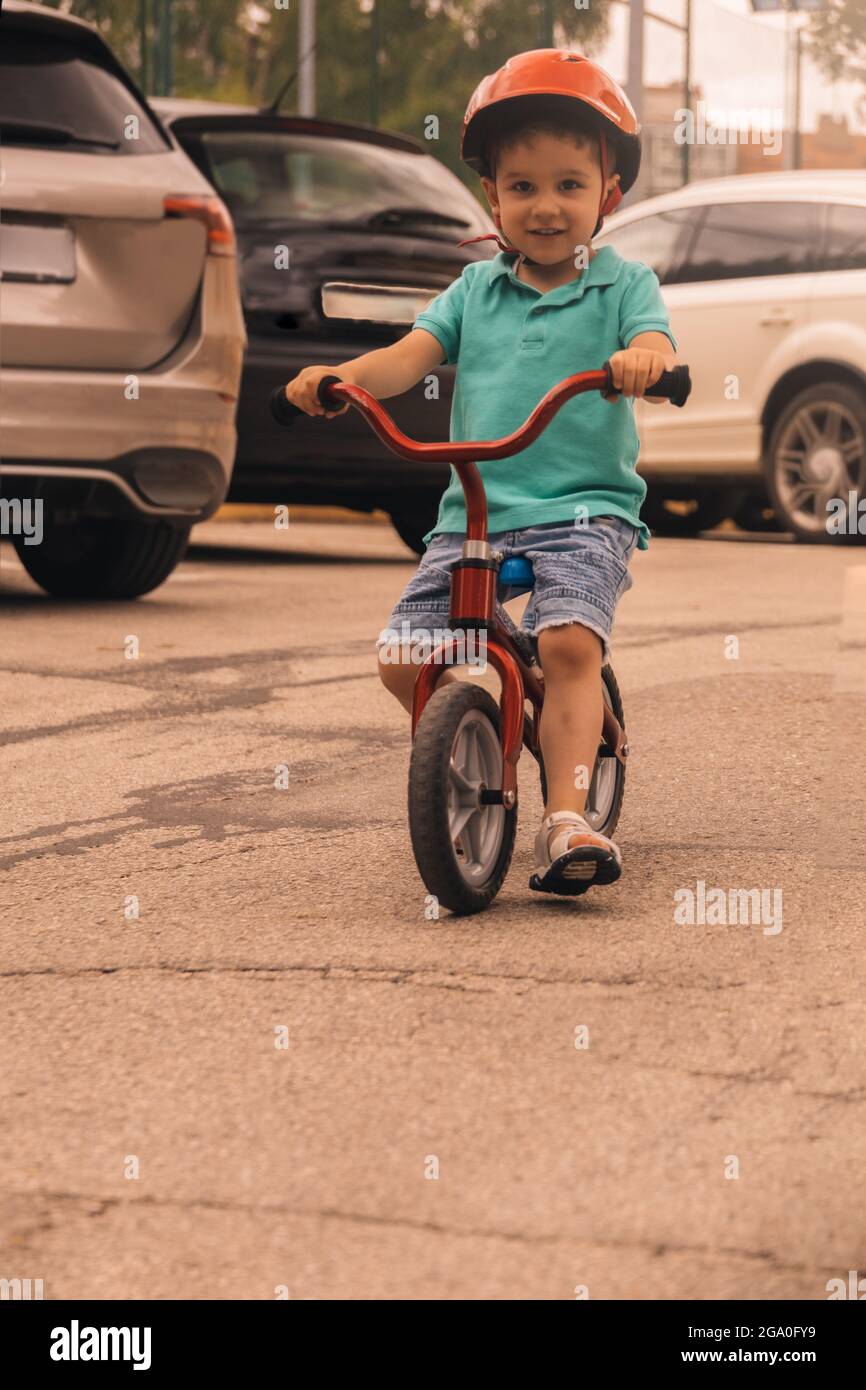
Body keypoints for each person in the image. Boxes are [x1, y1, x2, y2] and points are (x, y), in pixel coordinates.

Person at [283, 48, 679, 896]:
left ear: (608, 197)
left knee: (571, 642)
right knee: (402, 658)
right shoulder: (471, 290)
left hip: (582, 510)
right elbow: (407, 354)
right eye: (523, 186)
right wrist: (342, 382)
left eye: (570, 185)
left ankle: (567, 816)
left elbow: (654, 342)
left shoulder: (623, 284)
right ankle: (480, 730)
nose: (546, 206)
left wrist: (643, 360)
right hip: (474, 513)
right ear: (491, 197)